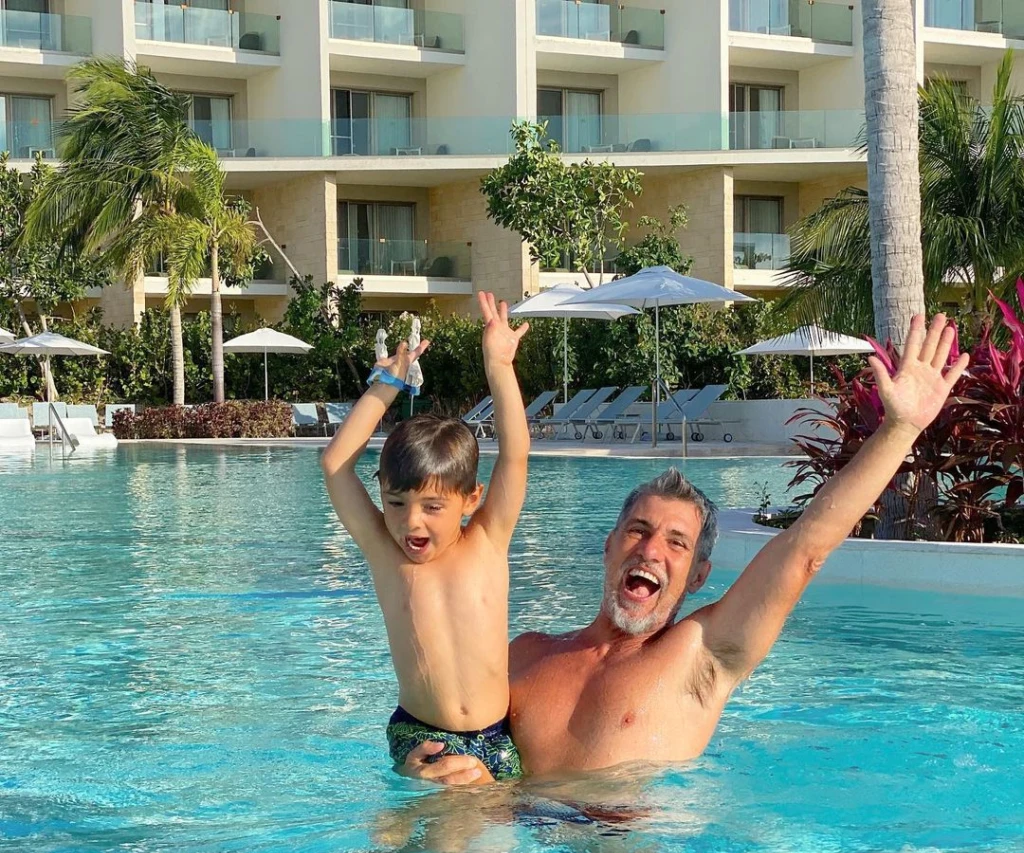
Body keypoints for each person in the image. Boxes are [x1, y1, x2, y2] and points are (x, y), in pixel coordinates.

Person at [403, 313, 970, 784]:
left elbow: (805, 550)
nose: (651, 549)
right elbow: (444, 729)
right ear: (608, 546)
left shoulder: (702, 656)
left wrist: (899, 430)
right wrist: (419, 765)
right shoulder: (526, 654)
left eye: (676, 542)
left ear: (698, 575)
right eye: (638, 530)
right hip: (517, 846)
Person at [321, 292, 531, 780]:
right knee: (450, 821)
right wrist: (386, 386)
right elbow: (335, 465)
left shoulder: (487, 541)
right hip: (421, 735)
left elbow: (515, 455)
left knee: (514, 823)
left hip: (497, 738)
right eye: (395, 503)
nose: (411, 522)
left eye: (432, 507)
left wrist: (500, 367)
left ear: (470, 499)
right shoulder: (384, 552)